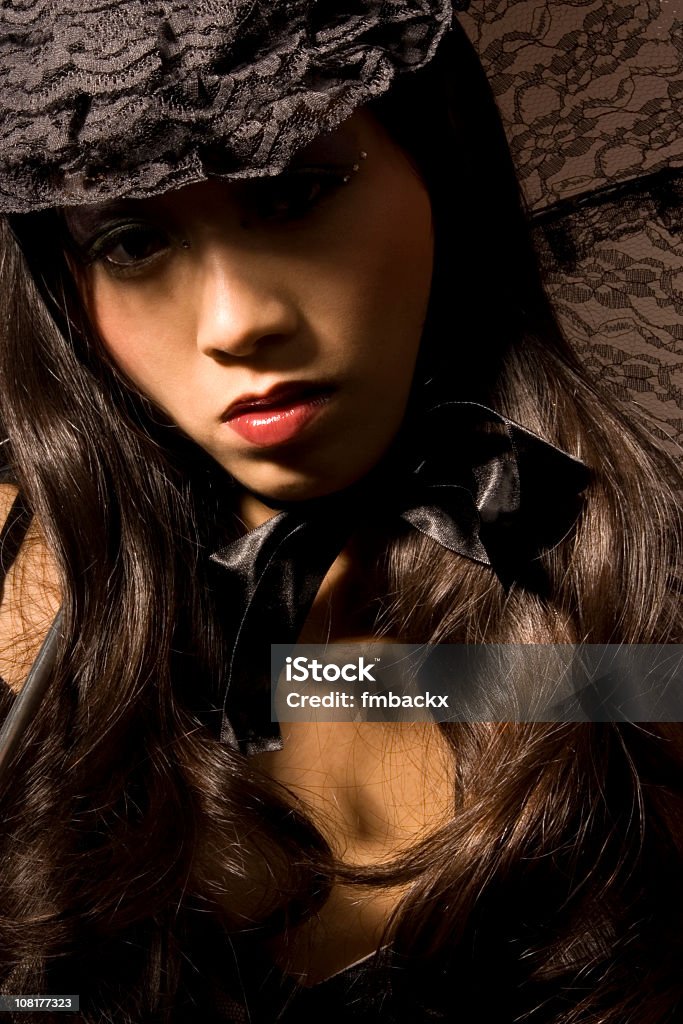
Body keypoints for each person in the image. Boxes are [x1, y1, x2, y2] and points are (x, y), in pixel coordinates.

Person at [0, 2, 681, 1022]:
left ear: (442, 183)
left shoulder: (626, 608)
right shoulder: (14, 577)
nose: (237, 321)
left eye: (295, 192)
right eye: (134, 240)